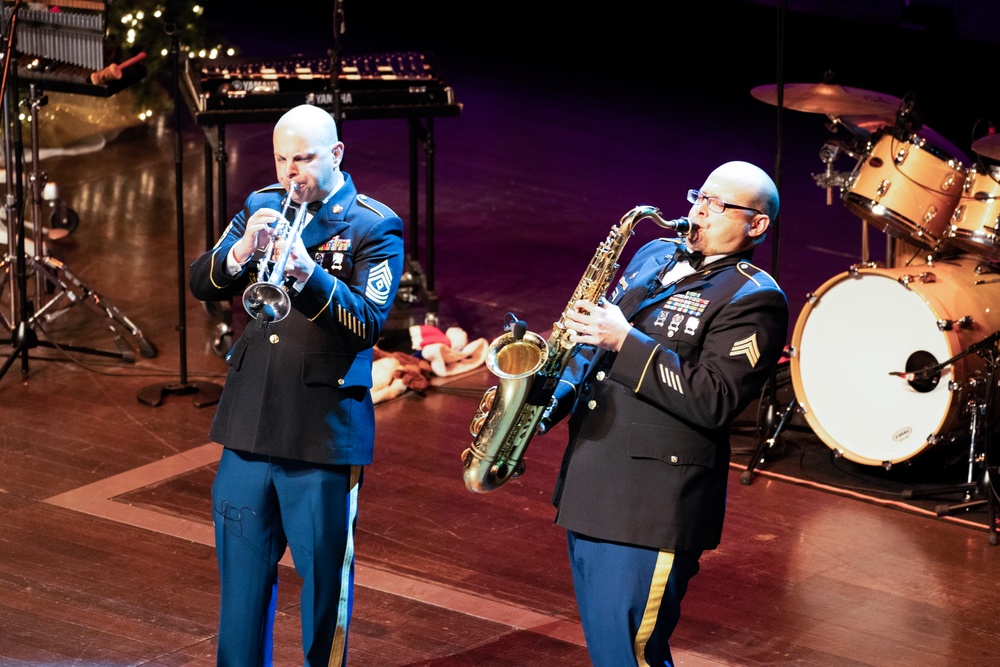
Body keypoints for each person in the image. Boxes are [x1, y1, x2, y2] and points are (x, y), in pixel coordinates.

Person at [539, 160, 788, 666]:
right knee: (610, 652)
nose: (698, 212)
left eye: (718, 206)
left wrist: (625, 340)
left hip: (650, 504)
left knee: (631, 656)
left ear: (756, 225)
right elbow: (593, 346)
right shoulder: (655, 253)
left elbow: (713, 398)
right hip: (594, 480)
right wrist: (545, 405)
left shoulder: (755, 298)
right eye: (699, 197)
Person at [189, 103, 404, 666]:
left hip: (321, 435)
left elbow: (367, 324)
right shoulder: (261, 205)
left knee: (323, 587)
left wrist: (309, 274)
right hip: (250, 422)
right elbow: (200, 282)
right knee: (240, 584)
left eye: (304, 159)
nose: (291, 173)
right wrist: (239, 252)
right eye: (282, 159)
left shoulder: (372, 224)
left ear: (335, 154)